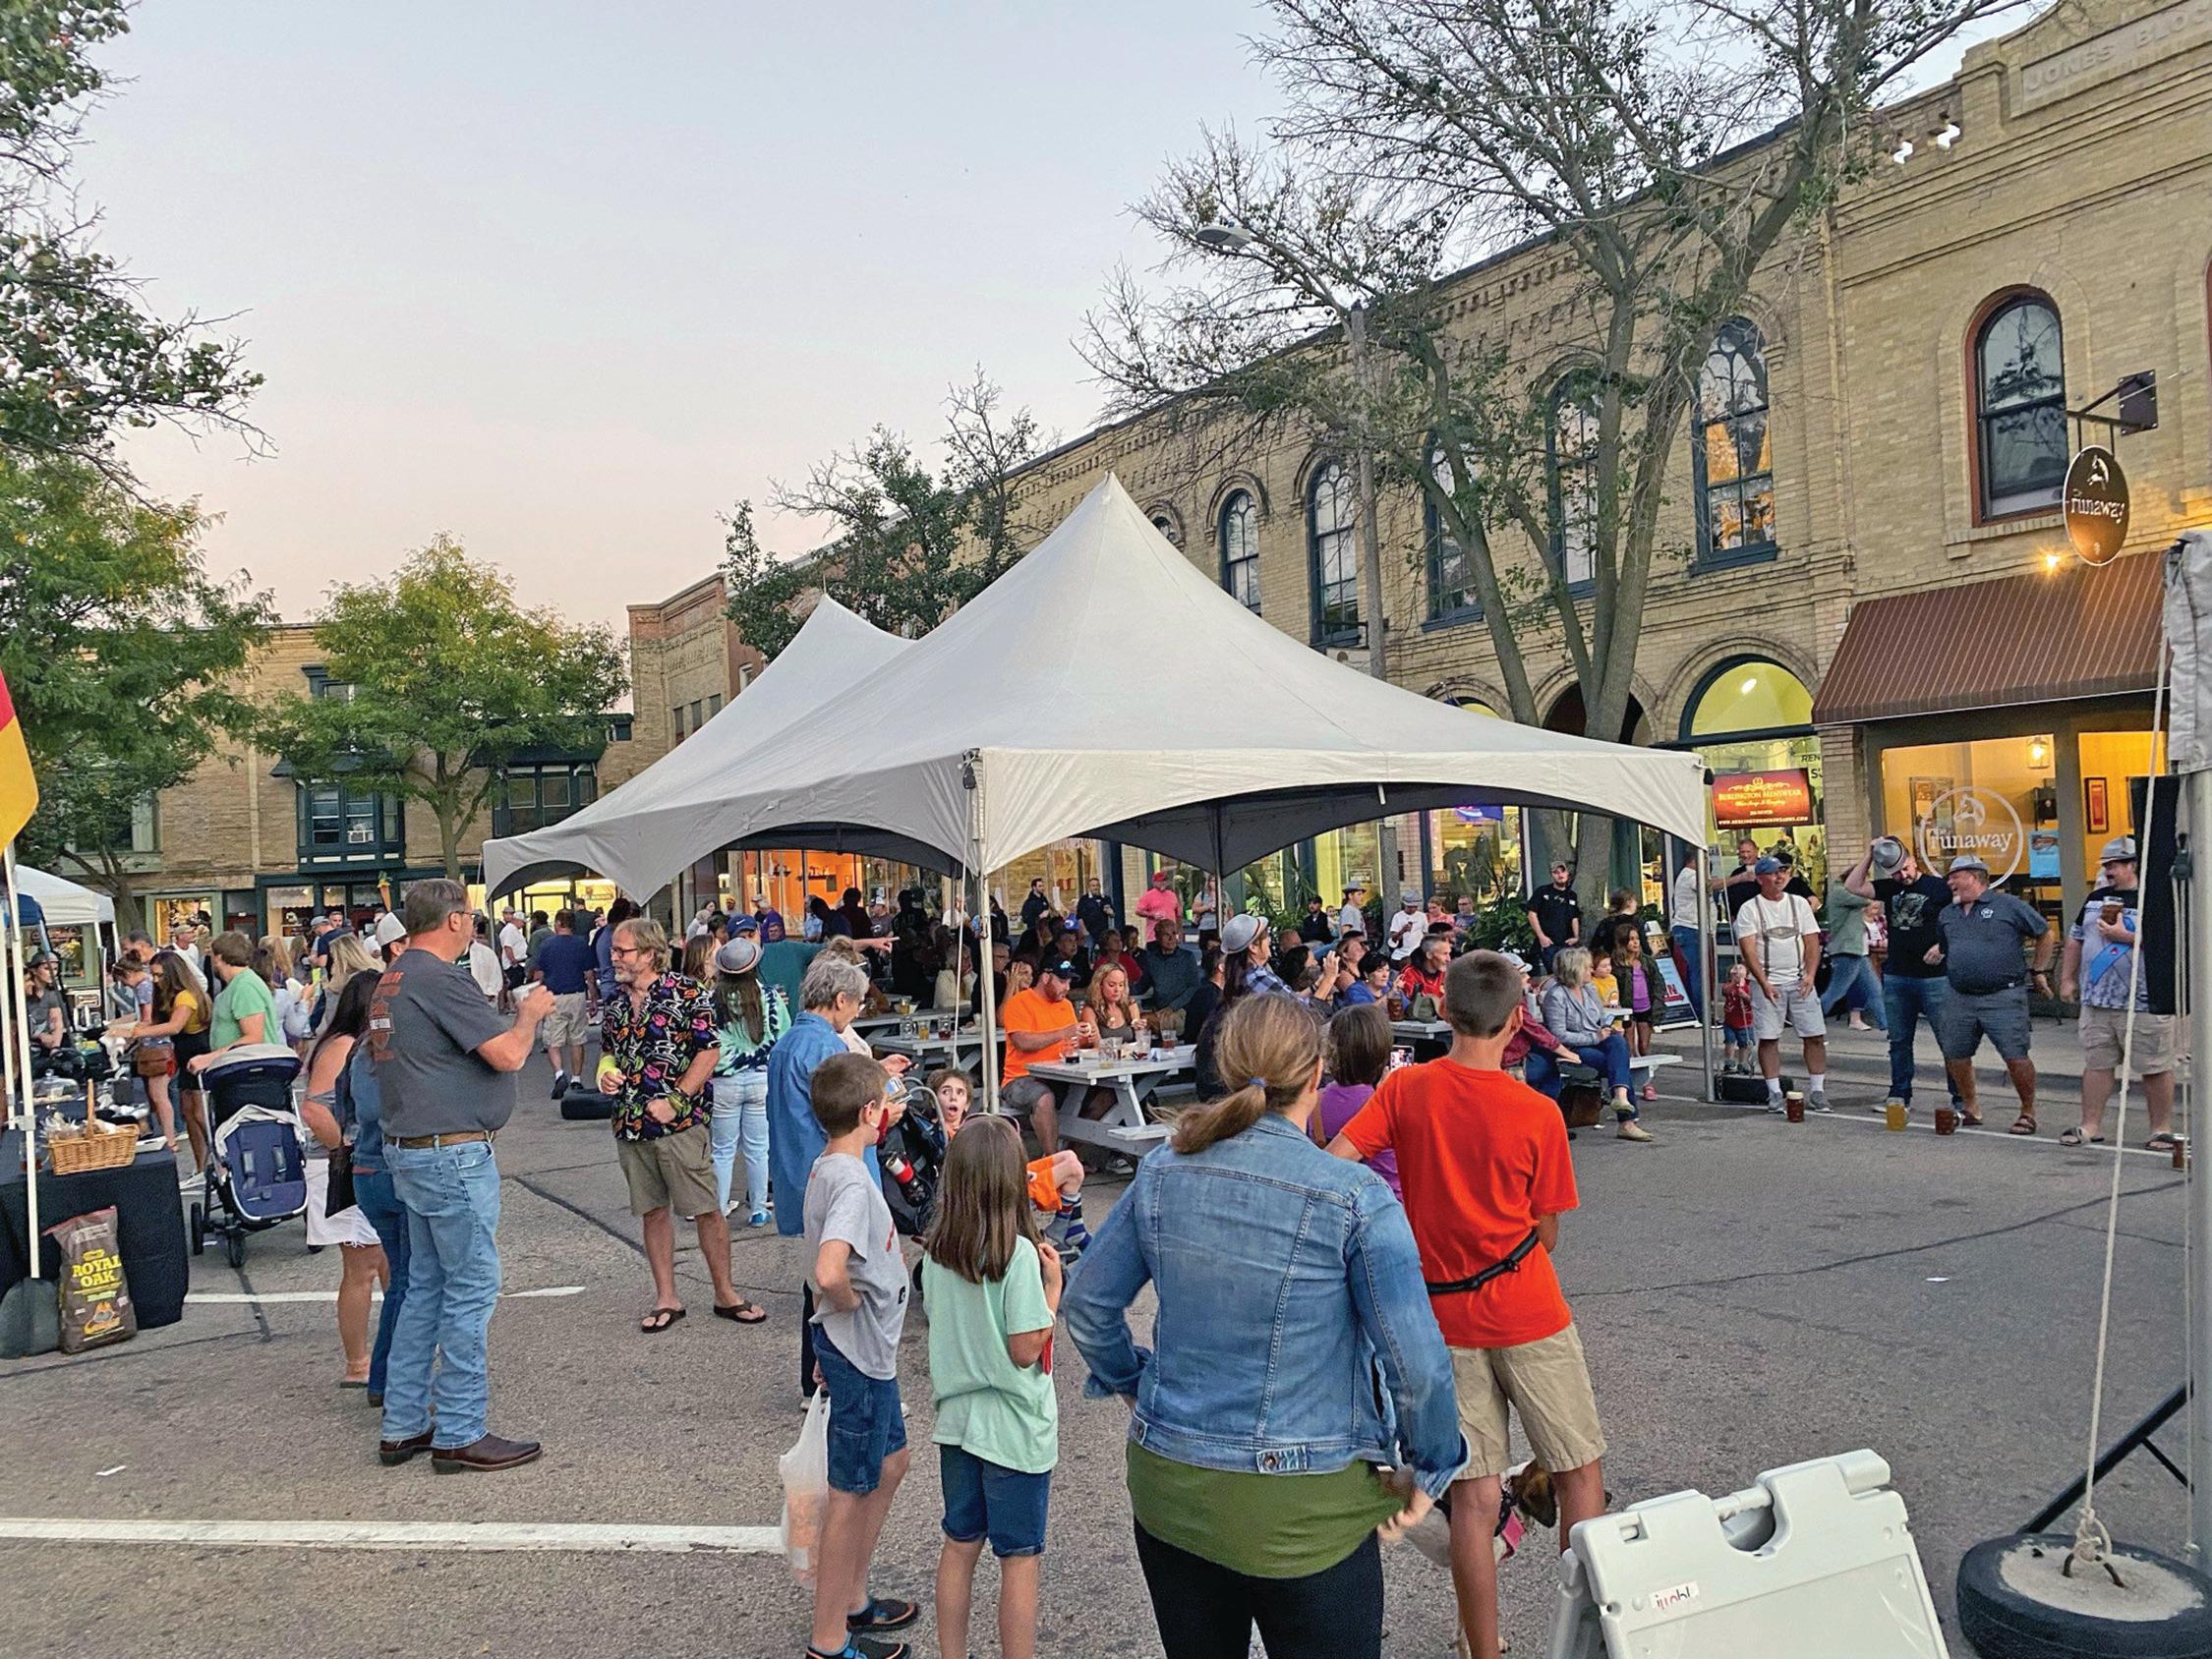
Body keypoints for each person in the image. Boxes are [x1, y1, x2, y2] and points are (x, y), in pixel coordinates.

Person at [1064, 995, 1464, 1659]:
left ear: (1225, 1066)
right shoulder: (1354, 1196)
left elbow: (1086, 1303)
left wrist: (1134, 1383)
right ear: (1317, 1074)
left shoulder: (1163, 1169)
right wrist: (1433, 1465)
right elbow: (1417, 1365)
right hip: (1304, 1506)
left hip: (1171, 1487)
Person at [1328, 950, 1607, 1659]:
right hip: (1528, 1312)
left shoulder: (1405, 1089)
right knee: (1578, 1473)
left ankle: (1482, 1649)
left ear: (1444, 1011)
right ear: (1517, 1021)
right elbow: (1547, 1234)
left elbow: (1334, 1163)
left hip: (1442, 1318)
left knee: (1475, 1498)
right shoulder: (1537, 1112)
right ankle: (1584, 1639)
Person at [370, 878, 553, 1475]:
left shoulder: (394, 977)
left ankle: (403, 1423)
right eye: (469, 916)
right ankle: (459, 1429)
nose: (473, 924)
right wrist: (529, 1015)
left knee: (425, 1285)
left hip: (411, 1147)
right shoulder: (440, 977)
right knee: (471, 1288)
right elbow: (508, 1055)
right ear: (452, 920)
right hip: (451, 1151)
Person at [922, 1114, 1061, 1659]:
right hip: (1014, 1430)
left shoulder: (936, 1255)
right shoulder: (1018, 1257)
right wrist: (1053, 1292)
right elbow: (1025, 1348)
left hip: (957, 1423)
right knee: (1019, 1559)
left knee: (959, 1545)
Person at [803, 1052, 920, 1659]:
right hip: (861, 1352)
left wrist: (827, 1332)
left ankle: (852, 1597)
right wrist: (844, 1308)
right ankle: (828, 1640)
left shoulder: (832, 1166)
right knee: (848, 1494)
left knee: (892, 1462)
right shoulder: (850, 1181)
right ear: (870, 1113)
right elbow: (829, 1271)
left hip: (865, 1355)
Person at [602, 915, 765, 1330]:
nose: (614, 957)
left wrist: (676, 1100)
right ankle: (667, 1298)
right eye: (614, 950)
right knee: (652, 1211)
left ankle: (725, 1294)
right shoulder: (616, 1001)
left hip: (680, 1125)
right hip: (630, 1123)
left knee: (706, 1209)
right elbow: (609, 1051)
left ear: (650, 954)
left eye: (622, 951)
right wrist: (605, 1072)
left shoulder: (687, 993)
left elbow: (709, 1051)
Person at [768, 954, 899, 1400]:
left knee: (817, 1282)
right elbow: (847, 1117)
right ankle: (838, 1383)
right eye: (857, 1003)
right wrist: (884, 1114)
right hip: (838, 1169)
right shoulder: (826, 1048)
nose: (857, 1012)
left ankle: (817, 1382)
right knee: (845, 1283)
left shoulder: (788, 1041)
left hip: (799, 1171)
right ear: (840, 999)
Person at [298, 973, 391, 1389]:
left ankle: (393, 1349)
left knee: (385, 1262)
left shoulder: (350, 1043)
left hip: (355, 1162)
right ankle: (358, 1363)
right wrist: (347, 1148)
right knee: (362, 1268)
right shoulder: (343, 1046)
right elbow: (314, 1109)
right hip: (343, 1166)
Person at [2062, 836, 2179, 1150]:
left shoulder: (2157, 900)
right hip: (2098, 1002)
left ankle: (2160, 1129)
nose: (2107, 871)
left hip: (2145, 1001)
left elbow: (2171, 944)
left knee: (2154, 1066)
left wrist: (2125, 936)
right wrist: (2067, 979)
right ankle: (2090, 1125)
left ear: (2133, 865)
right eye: (2106, 865)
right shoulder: (2095, 899)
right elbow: (2075, 939)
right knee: (2097, 1063)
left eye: (2113, 865)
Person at [1930, 853, 2054, 1135]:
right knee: (1955, 1054)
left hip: (2003, 997)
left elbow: (2044, 933)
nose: (1949, 882)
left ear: (1974, 877)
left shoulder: (2007, 905)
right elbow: (1947, 946)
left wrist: (2038, 970)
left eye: (1955, 876)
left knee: (2015, 1055)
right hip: (1959, 996)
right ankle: (1971, 1108)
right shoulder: (1947, 914)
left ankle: (2028, 1112)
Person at [1848, 841, 1963, 1120]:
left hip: (1934, 977)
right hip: (1898, 974)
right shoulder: (1890, 888)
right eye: (1896, 873)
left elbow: (1960, 920)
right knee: (1899, 1041)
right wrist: (1869, 854)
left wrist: (1944, 945)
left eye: (1905, 869)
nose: (1903, 876)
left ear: (1913, 861)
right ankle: (1899, 1094)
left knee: (1948, 1040)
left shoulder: (1937, 887)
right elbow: (1853, 885)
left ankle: (1961, 1097)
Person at [1733, 857, 1830, 1115]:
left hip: (1799, 981)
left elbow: (1812, 941)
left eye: (1783, 872)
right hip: (1768, 983)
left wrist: (1810, 975)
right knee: (1768, 1038)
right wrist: (1763, 982)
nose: (1780, 877)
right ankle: (1774, 1092)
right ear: (1760, 878)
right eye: (1773, 873)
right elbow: (1748, 949)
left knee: (1814, 1035)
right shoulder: (1750, 909)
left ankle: (1818, 1091)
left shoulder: (1799, 904)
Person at [710, 934, 789, 1225]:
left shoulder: (711, 1001)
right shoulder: (769, 997)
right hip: (760, 1080)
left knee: (722, 1151)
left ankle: (718, 1209)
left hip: (723, 1082)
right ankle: (758, 1209)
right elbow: (783, 1035)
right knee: (758, 1149)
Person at [1541, 948, 1650, 1139]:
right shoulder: (1556, 996)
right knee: (1618, 1064)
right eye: (1587, 967)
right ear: (1574, 969)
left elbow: (1599, 1018)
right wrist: (1595, 1037)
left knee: (1618, 1042)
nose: (1591, 971)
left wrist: (1607, 1028)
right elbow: (1559, 1035)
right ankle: (1626, 1121)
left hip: (1597, 1040)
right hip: (1572, 1048)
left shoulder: (1588, 988)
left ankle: (1621, 1098)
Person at [998, 958, 1081, 1157]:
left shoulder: (1066, 1005)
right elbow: (1022, 1042)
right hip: (1020, 1078)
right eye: (1062, 981)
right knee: (1044, 1098)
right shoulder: (1019, 1002)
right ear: (1045, 978)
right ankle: (1053, 1160)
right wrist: (1063, 1033)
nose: (1067, 988)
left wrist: (1086, 1037)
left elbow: (1073, 1042)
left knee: (1102, 1095)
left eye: (1069, 982)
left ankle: (1074, 1155)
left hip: (1062, 1075)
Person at [1312, 1002, 1396, 1198]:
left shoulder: (1312, 1102)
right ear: (1382, 1051)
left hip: (1332, 1202)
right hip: (1386, 1204)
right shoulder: (1388, 1106)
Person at [137, 952, 211, 1170]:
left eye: (159, 975)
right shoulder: (173, 995)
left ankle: (220, 1159)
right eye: (153, 975)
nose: (155, 980)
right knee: (189, 1112)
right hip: (185, 1052)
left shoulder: (185, 996)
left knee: (199, 1113)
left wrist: (136, 1032)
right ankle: (201, 1166)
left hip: (197, 1051)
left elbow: (175, 1026)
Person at [188, 931, 277, 1078]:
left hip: (250, 1075)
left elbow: (254, 1037)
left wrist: (210, 1058)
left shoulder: (245, 986)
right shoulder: (238, 984)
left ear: (218, 958)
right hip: (239, 1071)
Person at [532, 908, 597, 1096]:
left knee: (552, 1040)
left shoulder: (547, 945)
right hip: (576, 995)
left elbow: (539, 975)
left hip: (554, 997)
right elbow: (589, 975)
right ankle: (576, 1079)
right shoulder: (581, 944)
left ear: (559, 924)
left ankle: (559, 1074)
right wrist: (593, 998)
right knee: (577, 1038)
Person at [1821, 852, 1886, 1034]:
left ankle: (1888, 1026)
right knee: (1836, 991)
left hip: (1857, 949)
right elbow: (1867, 899)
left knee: (1875, 990)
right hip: (1846, 949)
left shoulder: (1842, 891)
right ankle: (1811, 1020)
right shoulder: (1840, 892)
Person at [1137, 918, 1200, 1035]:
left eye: (1174, 934)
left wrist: (1172, 1007)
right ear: (1157, 937)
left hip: (1182, 1010)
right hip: (1159, 1010)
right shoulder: (1151, 960)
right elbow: (1142, 985)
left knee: (1144, 1021)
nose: (1171, 939)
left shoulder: (1187, 957)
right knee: (1137, 1020)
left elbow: (1193, 987)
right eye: (1166, 935)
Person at [1667, 856, 1707, 1018]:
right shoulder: (1690, 876)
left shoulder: (1688, 875)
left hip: (1693, 928)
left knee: (1694, 971)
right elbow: (1707, 886)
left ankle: (1696, 1010)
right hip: (1690, 928)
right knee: (1698, 972)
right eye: (1705, 861)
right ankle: (1700, 1012)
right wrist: (1739, 878)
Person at [1525, 863, 1581, 970]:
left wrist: (1576, 937)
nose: (1560, 875)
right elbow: (1531, 913)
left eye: (1562, 871)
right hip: (1548, 943)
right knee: (1551, 974)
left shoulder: (1572, 895)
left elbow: (1574, 917)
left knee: (1567, 973)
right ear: (1551, 875)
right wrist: (1541, 937)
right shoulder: (1542, 891)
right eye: (1556, 872)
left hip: (1566, 944)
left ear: (1567, 873)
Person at [1396, 935, 1450, 1012]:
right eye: (1444, 954)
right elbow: (1406, 1007)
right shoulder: (1409, 974)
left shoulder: (1446, 974)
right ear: (1429, 955)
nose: (1448, 959)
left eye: (1449, 953)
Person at [1721, 962, 1756, 1074]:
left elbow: (1753, 1001)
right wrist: (1734, 983)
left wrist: (1745, 996)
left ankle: (1743, 1062)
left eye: (1741, 968)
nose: (1737, 969)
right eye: (1735, 968)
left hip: (1745, 1021)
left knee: (1745, 1043)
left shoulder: (1748, 986)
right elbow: (1725, 991)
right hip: (1730, 1021)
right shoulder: (1728, 985)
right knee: (1729, 1041)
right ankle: (1729, 1061)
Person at [1135, 869, 1182, 944]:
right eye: (1160, 881)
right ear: (1154, 882)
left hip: (1170, 936)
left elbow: (1178, 915)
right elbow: (1138, 911)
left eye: (1164, 881)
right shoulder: (1148, 895)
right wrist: (1152, 915)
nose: (1163, 883)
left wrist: (1179, 931)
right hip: (1153, 936)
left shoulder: (1172, 895)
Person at [1384, 888, 1426, 964]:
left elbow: (1425, 933)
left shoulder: (1422, 916)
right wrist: (1402, 931)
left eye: (1415, 907)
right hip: (1400, 954)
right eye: (1409, 907)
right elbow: (1393, 938)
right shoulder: (1398, 916)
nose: (1412, 909)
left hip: (1417, 953)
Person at [1076, 876, 1118, 946]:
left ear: (1100, 886)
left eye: (1097, 885)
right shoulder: (1084, 900)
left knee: (1104, 950)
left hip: (1103, 933)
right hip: (1089, 933)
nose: (1095, 887)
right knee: (1089, 950)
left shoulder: (1106, 899)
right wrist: (1084, 931)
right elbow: (1079, 917)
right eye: (1093, 886)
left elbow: (1113, 914)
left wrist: (1110, 912)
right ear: (1089, 887)